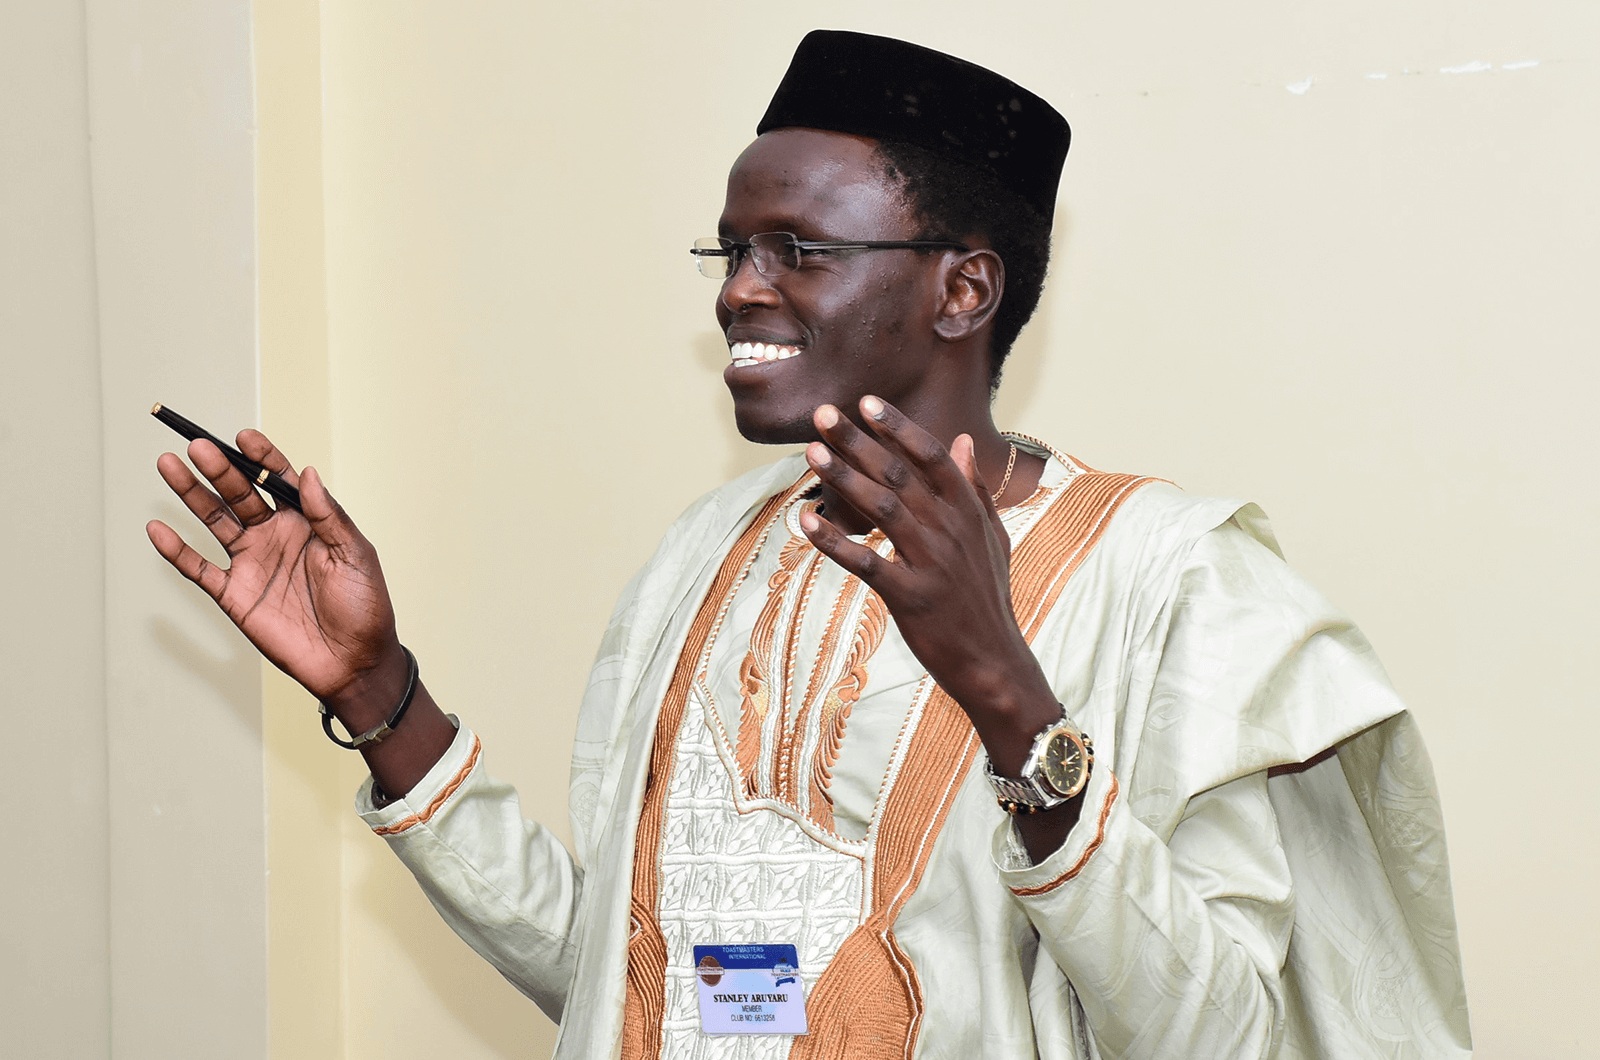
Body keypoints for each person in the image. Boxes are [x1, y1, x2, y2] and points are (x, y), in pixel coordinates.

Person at [148, 29, 1471, 1060]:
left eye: (797, 248)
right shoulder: (707, 559)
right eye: (728, 249)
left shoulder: (1178, 584)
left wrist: (1008, 696)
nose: (737, 289)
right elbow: (635, 981)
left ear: (963, 287)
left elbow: (1218, 1036)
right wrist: (385, 701)